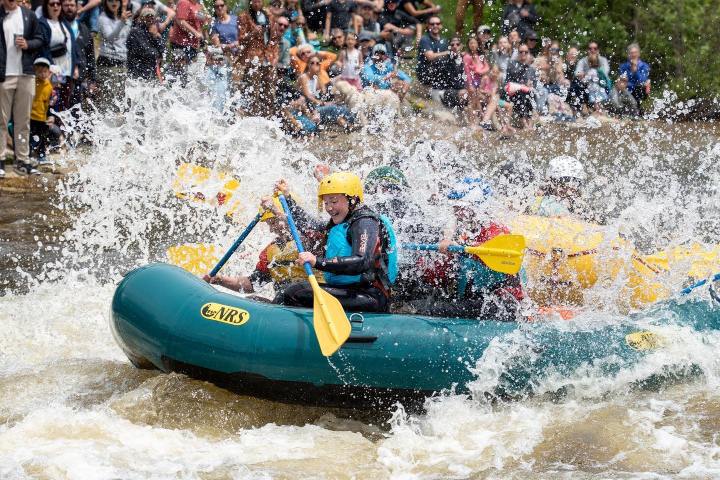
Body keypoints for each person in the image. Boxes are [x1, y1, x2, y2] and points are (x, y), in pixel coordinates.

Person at [274, 172, 398, 313]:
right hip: (351, 291)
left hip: (371, 296)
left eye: (334, 201)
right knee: (286, 293)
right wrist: (288, 198)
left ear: (352, 199)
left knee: (296, 291)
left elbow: (362, 260)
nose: (329, 208)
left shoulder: (365, 222)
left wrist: (317, 262)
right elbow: (308, 225)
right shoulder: (342, 221)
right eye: (326, 203)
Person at [415, 177, 525, 320]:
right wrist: (424, 269)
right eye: (455, 208)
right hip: (479, 299)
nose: (456, 212)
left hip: (504, 304)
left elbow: (488, 256)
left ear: (477, 208)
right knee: (425, 301)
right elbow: (449, 269)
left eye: (460, 208)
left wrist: (460, 249)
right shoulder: (468, 235)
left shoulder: (497, 232)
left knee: (436, 310)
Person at [204, 197, 311, 294]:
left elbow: (303, 227)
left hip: (310, 297)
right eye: (269, 224)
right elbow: (252, 283)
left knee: (291, 292)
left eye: (273, 223)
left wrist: (275, 210)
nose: (271, 229)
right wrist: (220, 280)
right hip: (283, 303)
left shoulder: (309, 239)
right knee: (254, 299)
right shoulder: (270, 251)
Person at [1, 0, 44, 177]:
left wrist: (28, 44)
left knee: (23, 120)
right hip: (4, 74)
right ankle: (1, 160)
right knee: (1, 120)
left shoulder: (29, 15)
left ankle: (23, 160)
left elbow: (40, 39)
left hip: (25, 73)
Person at [528, 155, 596, 222]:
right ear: (551, 183)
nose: (569, 190)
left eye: (575, 184)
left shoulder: (580, 206)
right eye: (563, 184)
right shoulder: (546, 202)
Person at [38, 0, 79, 111]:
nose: (55, 6)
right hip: (52, 72)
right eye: (52, 4)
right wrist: (51, 67)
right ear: (46, 6)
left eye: (58, 3)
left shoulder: (63, 22)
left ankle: (61, 128)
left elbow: (73, 45)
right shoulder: (43, 23)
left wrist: (76, 65)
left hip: (67, 71)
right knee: (51, 105)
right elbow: (43, 48)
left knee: (64, 106)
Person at [298, 52, 355, 129]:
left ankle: (350, 124)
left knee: (343, 108)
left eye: (317, 63)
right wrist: (322, 103)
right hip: (310, 108)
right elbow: (307, 95)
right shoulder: (303, 77)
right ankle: (346, 126)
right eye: (312, 63)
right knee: (333, 108)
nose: (315, 65)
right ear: (308, 64)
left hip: (317, 106)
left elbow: (324, 92)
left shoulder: (316, 77)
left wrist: (318, 74)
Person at [61, 0, 97, 106]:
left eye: (72, 5)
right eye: (66, 5)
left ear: (77, 7)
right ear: (61, 7)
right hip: (59, 79)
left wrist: (92, 79)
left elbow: (90, 56)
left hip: (78, 80)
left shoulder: (84, 29)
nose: (69, 8)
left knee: (75, 115)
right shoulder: (56, 27)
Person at [96, 0, 131, 108]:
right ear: (106, 3)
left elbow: (125, 40)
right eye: (110, 0)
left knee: (121, 99)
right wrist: (122, 22)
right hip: (108, 62)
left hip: (122, 62)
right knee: (108, 100)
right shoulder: (103, 18)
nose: (113, 2)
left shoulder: (125, 18)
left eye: (116, 0)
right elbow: (110, 37)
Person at [167, 0, 207, 85]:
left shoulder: (198, 5)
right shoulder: (184, 2)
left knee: (191, 78)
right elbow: (180, 21)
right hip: (181, 44)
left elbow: (201, 23)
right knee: (179, 77)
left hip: (193, 46)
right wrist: (195, 33)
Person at [125, 8, 164, 80]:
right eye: (147, 17)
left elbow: (162, 51)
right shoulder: (135, 31)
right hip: (137, 72)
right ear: (142, 18)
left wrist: (155, 36)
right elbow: (145, 51)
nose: (150, 19)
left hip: (150, 71)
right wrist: (156, 54)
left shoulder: (153, 32)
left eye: (152, 17)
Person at [29, 57, 53, 164]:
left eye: (45, 72)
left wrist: (50, 116)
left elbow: (48, 103)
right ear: (35, 71)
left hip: (42, 117)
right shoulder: (32, 83)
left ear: (49, 72)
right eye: (39, 72)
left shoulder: (49, 87)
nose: (42, 74)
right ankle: (29, 155)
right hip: (31, 116)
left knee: (43, 137)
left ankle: (42, 155)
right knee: (31, 137)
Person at [415, 15, 447, 89]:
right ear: (428, 26)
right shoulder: (424, 39)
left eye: (437, 23)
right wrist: (448, 52)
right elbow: (430, 57)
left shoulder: (444, 40)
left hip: (439, 71)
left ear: (441, 25)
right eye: (432, 24)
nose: (435, 26)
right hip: (426, 72)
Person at [618, 42, 650, 113]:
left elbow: (642, 80)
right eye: (631, 53)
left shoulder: (644, 66)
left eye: (635, 52)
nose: (633, 55)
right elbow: (623, 81)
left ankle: (637, 110)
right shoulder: (623, 66)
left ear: (638, 53)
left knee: (640, 88)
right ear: (629, 54)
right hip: (627, 90)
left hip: (639, 90)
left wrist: (635, 71)